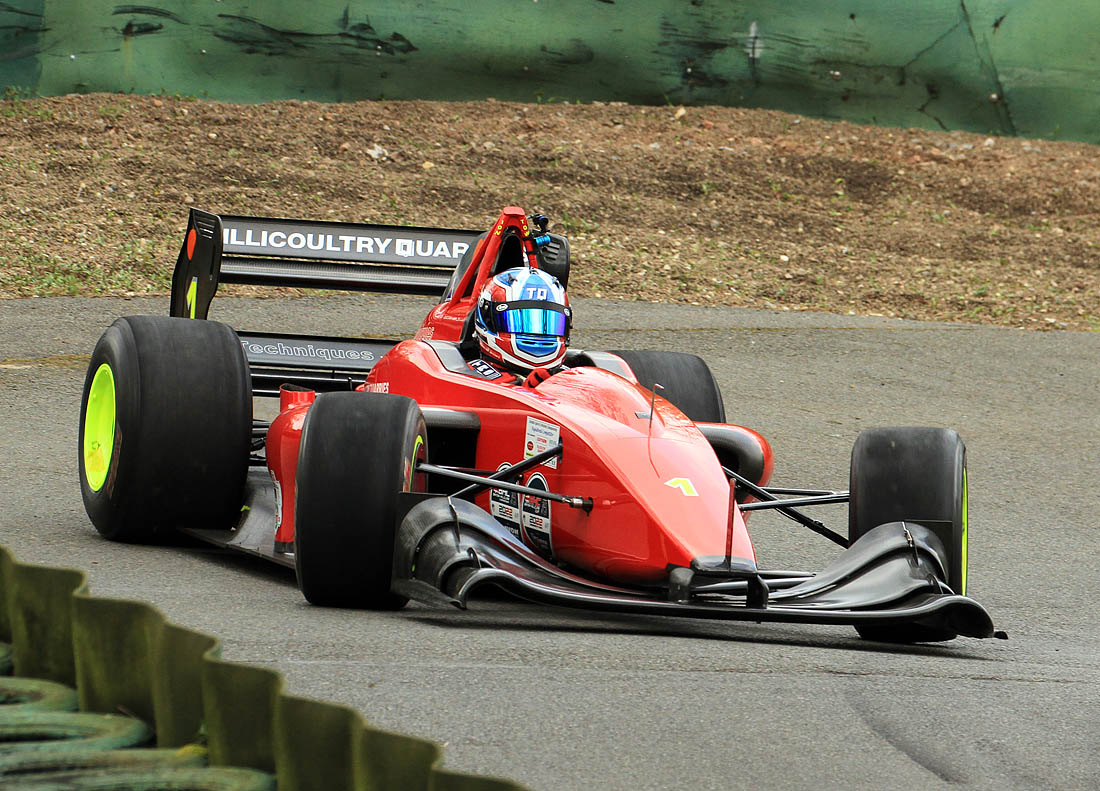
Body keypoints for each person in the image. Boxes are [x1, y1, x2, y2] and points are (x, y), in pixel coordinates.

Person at [472, 266, 571, 378]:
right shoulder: (468, 377)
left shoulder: (568, 376)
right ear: (487, 320)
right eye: (517, 323)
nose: (537, 342)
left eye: (551, 324)